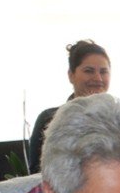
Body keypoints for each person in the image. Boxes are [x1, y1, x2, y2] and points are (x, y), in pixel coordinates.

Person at [27, 39, 110, 173]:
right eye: (89, 71)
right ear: (71, 75)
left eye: (103, 71)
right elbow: (37, 176)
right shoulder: (48, 120)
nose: (98, 79)